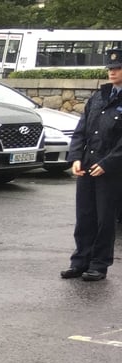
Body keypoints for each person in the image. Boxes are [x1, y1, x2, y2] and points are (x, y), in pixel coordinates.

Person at [59, 47, 122, 283]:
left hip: (111, 170)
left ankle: (99, 264)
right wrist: (75, 157)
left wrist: (108, 163)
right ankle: (80, 261)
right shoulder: (98, 97)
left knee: (104, 219)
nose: (112, 72)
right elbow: (81, 130)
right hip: (87, 164)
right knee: (84, 216)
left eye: (117, 68)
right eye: (110, 68)